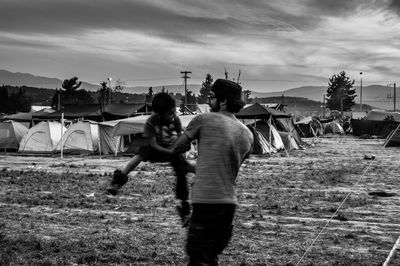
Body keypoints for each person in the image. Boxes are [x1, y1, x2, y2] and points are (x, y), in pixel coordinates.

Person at [171, 79, 254, 265]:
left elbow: (177, 149)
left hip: (206, 201)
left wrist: (187, 166)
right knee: (210, 257)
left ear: (223, 101)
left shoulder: (204, 120)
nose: (209, 101)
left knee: (197, 259)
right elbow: (228, 167)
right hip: (229, 205)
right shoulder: (248, 134)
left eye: (212, 97)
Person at [107, 92, 194, 225]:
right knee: (142, 152)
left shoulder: (175, 119)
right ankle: (118, 180)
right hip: (156, 149)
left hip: (172, 149)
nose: (171, 116)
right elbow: (153, 143)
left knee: (182, 173)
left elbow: (181, 137)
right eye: (168, 114)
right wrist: (168, 151)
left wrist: (180, 157)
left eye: (173, 113)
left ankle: (185, 211)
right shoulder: (152, 122)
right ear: (160, 113)